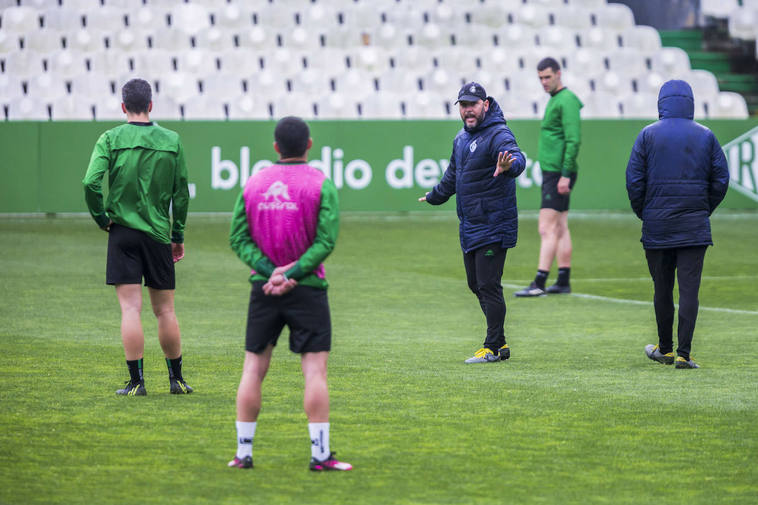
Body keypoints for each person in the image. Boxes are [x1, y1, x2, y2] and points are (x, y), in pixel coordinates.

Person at [228, 116, 351, 471]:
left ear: (276, 146)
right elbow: (325, 241)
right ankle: (320, 455)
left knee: (253, 369)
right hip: (308, 288)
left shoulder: (254, 183)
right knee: (314, 373)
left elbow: (238, 238)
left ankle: (243, 453)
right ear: (309, 144)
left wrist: (271, 273)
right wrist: (292, 273)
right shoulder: (320, 183)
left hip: (263, 288)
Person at [83, 78, 192, 396]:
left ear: (123, 107)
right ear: (151, 106)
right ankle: (177, 380)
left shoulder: (110, 138)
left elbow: (90, 182)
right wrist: (178, 234)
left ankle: (136, 382)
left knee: (131, 310)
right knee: (166, 311)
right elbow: (181, 193)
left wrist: (102, 219)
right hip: (158, 234)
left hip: (122, 233)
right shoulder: (172, 140)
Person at [626, 79, 729, 369]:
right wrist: (702, 209)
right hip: (694, 227)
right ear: (690, 103)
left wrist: (646, 213)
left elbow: (634, 182)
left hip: (658, 227)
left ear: (661, 103)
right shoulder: (706, 136)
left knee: (662, 289)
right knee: (689, 292)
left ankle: (666, 349)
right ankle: (684, 353)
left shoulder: (647, 135)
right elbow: (721, 180)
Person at [419, 82, 526, 364]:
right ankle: (500, 344)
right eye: (463, 105)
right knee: (475, 284)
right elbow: (453, 176)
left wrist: (509, 166)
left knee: (489, 285)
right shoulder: (461, 139)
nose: (468, 110)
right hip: (471, 225)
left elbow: (517, 157)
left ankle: (491, 346)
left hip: (494, 223)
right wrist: (434, 196)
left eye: (472, 105)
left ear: (485, 105)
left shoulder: (498, 133)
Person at [515, 57, 583, 297]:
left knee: (546, 227)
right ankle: (563, 280)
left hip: (558, 173)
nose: (544, 82)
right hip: (554, 172)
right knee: (560, 226)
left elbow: (573, 139)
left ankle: (539, 282)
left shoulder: (567, 101)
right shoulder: (558, 100)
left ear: (558, 74)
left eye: (547, 77)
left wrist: (564, 174)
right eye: (541, 78)